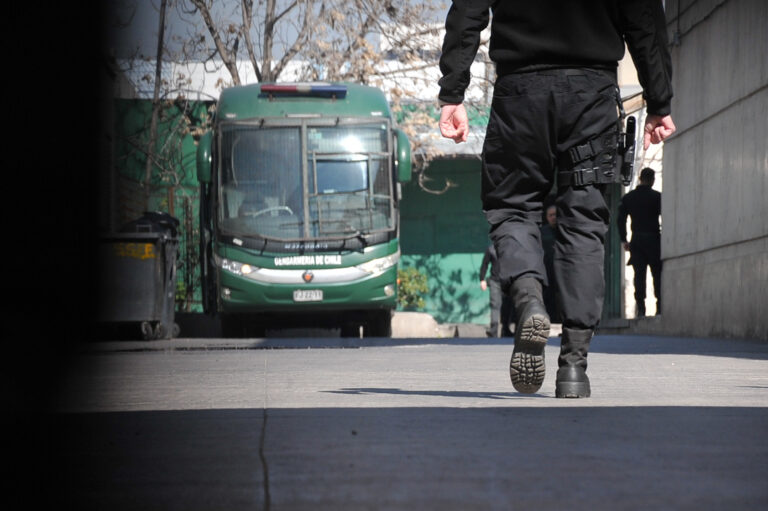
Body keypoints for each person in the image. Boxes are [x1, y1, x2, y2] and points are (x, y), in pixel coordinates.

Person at [437, 0, 676, 398]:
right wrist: (659, 99)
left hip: (520, 93)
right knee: (583, 220)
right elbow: (644, 17)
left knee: (512, 206)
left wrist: (453, 93)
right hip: (592, 94)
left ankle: (530, 299)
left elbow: (468, 11)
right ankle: (574, 367)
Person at [618, 167, 662, 317]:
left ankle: (641, 308)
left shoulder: (629, 198)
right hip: (654, 239)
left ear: (640, 178)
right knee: (657, 274)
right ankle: (659, 306)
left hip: (637, 240)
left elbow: (621, 219)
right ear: (652, 180)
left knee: (639, 275)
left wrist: (624, 239)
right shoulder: (657, 197)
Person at [479, 243, 514, 337]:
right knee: (495, 305)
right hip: (495, 282)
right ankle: (493, 331)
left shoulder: (510, 247)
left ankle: (505, 329)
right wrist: (482, 279)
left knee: (507, 306)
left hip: (507, 282)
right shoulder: (491, 249)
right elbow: (485, 264)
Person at [540, 203, 561, 323]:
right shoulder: (542, 232)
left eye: (555, 215)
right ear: (547, 217)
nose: (553, 217)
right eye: (550, 215)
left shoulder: (564, 231)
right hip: (547, 270)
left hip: (562, 270)